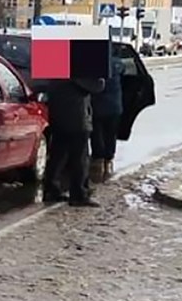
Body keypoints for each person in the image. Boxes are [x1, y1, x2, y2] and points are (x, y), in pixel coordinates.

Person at [43, 76, 106, 207]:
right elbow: (97, 86)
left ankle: (51, 190)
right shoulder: (78, 70)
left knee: (57, 154)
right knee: (80, 157)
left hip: (57, 115)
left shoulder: (54, 64)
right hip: (77, 117)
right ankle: (79, 194)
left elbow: (44, 83)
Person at [89, 50, 123, 182]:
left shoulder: (93, 64)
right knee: (111, 134)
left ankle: (98, 160)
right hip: (115, 108)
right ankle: (108, 160)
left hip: (98, 107)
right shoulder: (117, 64)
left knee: (97, 134)